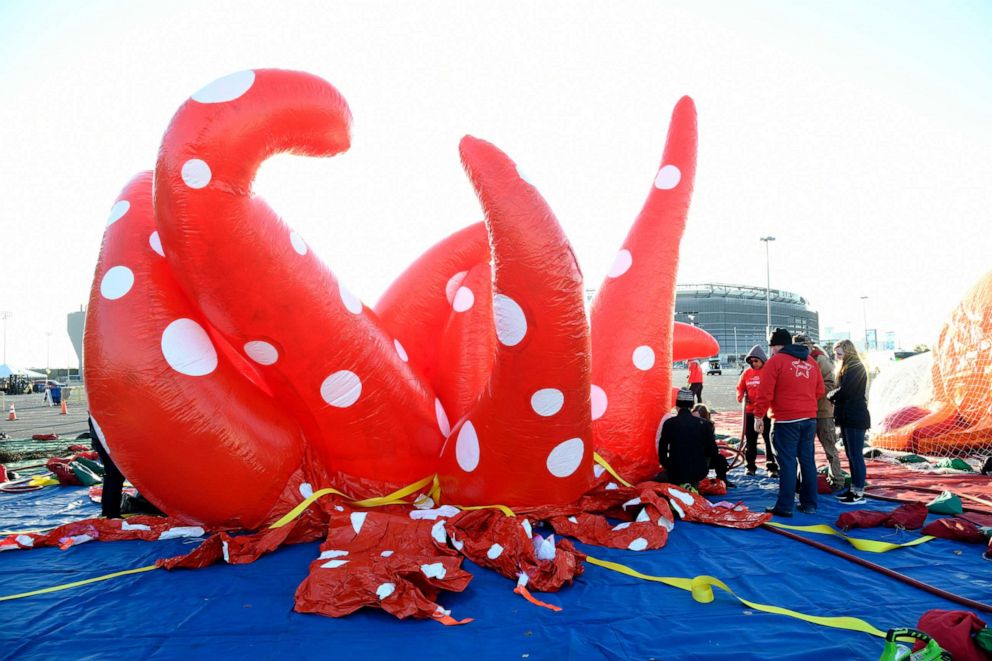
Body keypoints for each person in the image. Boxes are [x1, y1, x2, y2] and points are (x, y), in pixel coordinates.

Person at [752, 328, 825, 517]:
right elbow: (820, 391)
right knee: (807, 461)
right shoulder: (811, 362)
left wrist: (758, 416)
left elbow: (765, 393)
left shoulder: (775, 362)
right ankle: (810, 504)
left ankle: (785, 506)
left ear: (776, 346)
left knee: (787, 463)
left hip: (785, 420)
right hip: (809, 418)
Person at [795, 334, 844, 490]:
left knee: (829, 447)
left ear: (811, 346)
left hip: (822, 411)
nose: (803, 350)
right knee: (803, 451)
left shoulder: (820, 360)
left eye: (805, 347)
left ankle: (837, 480)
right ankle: (803, 481)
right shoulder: (794, 361)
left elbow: (831, 384)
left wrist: (810, 393)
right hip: (804, 412)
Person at [657, 388, 729, 488]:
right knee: (719, 458)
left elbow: (662, 451)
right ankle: (721, 480)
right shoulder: (704, 424)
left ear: (677, 407)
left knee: (656, 480)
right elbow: (713, 451)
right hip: (699, 472)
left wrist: (669, 467)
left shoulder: (669, 423)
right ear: (691, 407)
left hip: (675, 472)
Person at [829, 339, 871, 504]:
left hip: (855, 416)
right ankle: (854, 488)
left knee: (855, 455)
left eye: (839, 353)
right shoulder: (850, 367)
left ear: (848, 352)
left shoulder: (855, 367)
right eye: (836, 354)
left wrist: (831, 395)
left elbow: (846, 391)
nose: (837, 357)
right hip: (849, 416)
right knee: (851, 455)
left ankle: (858, 492)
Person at [736, 345, 778, 477]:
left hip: (767, 412)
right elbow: (740, 389)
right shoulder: (747, 373)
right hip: (750, 412)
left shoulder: (768, 372)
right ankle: (750, 466)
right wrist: (742, 397)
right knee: (751, 440)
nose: (754, 364)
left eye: (756, 361)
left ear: (762, 360)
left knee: (769, 440)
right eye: (751, 361)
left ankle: (772, 466)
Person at [88, 416, 124, 518]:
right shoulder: (106, 409)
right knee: (115, 476)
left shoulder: (97, 405)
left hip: (101, 440)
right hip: (108, 442)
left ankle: (108, 510)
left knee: (111, 476)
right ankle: (112, 513)